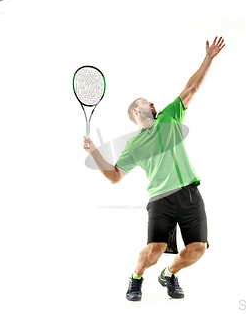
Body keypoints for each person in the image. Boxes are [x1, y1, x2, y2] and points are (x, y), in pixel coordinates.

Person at [82, 36, 225, 301]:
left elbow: (191, 88)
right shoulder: (134, 146)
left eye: (151, 102)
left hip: (190, 193)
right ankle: (136, 277)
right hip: (161, 198)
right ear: (136, 111)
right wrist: (94, 152)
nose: (151, 104)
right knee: (155, 248)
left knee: (198, 249)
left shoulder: (170, 117)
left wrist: (208, 58)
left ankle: (169, 274)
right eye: (145, 102)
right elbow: (114, 176)